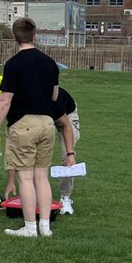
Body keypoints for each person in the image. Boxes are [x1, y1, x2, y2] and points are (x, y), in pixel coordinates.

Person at [0, 17, 60, 239]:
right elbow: (55, 95)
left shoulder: (13, 64)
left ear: (14, 37)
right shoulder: (50, 63)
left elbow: (4, 100)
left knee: (26, 178)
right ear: (35, 35)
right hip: (47, 123)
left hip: (24, 124)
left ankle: (30, 227)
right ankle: (45, 226)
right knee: (42, 176)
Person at [49, 87, 80, 215]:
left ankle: (65, 197)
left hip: (67, 115)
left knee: (66, 154)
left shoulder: (54, 99)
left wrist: (70, 153)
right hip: (45, 117)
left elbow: (66, 126)